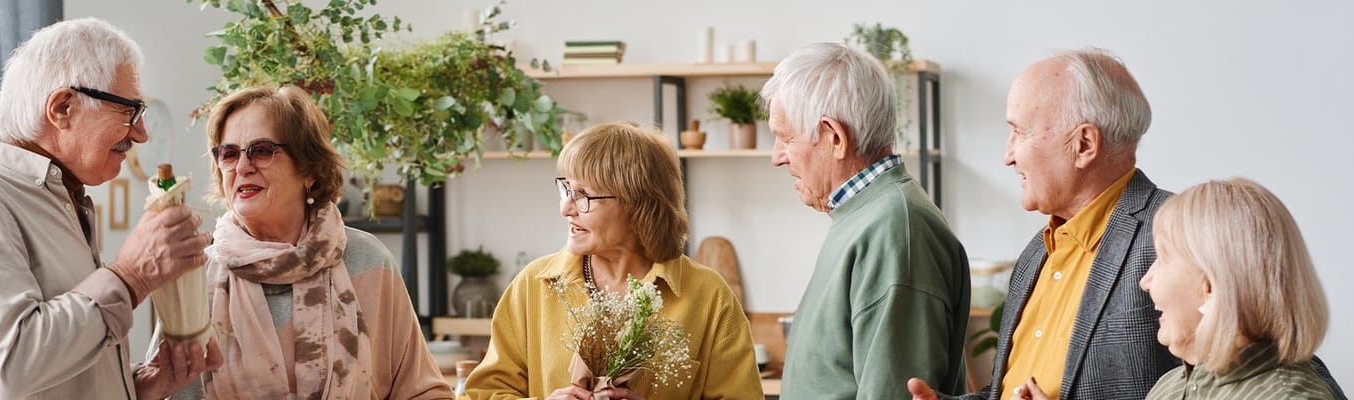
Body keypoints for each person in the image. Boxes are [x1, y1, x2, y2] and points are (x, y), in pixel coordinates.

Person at [907, 48, 1345, 400]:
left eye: (1019, 132)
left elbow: (1281, 363)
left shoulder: (1180, 237)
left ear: (1083, 145)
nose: (1008, 154)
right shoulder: (1037, 252)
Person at [0, 18, 219, 399]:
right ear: (63, 107)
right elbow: (11, 366)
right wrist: (130, 277)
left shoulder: (62, 198)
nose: (141, 133)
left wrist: (135, 386)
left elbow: (50, 374)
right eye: (129, 110)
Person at [174, 85, 453, 399]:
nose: (242, 167)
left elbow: (423, 391)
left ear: (308, 168)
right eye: (229, 153)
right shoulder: (194, 277)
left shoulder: (367, 262)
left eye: (262, 150)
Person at [466, 123, 763, 400]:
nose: (566, 209)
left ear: (638, 205)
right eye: (566, 189)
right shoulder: (532, 284)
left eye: (583, 195)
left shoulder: (708, 295)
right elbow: (481, 394)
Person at [760, 42, 971, 399]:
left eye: (785, 137)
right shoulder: (866, 216)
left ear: (835, 137)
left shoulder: (895, 230)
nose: (777, 157)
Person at [1009, 178, 1333, 400]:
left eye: (1161, 260)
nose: (1145, 282)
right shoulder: (1171, 386)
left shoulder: (1288, 396)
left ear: (1210, 285)